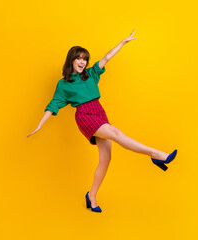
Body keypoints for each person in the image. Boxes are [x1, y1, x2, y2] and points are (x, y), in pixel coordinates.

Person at [27, 28, 178, 213]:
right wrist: (39, 125)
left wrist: (123, 42)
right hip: (84, 115)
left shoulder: (90, 74)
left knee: (106, 158)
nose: (82, 62)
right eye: (79, 58)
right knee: (116, 133)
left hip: (99, 111)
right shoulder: (64, 84)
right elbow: (53, 105)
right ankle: (156, 155)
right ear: (71, 60)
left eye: (85, 59)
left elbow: (106, 58)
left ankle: (91, 196)